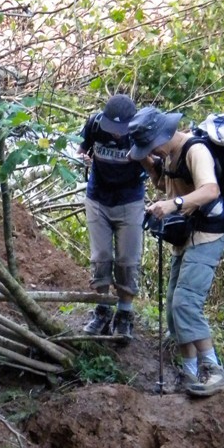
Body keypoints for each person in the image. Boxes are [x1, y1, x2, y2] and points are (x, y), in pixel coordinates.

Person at [128, 105, 224, 397]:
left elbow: (210, 190)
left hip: (206, 235)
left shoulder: (195, 150)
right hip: (185, 238)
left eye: (150, 146)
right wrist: (146, 161)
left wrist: (174, 205)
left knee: (186, 304)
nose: (151, 151)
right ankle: (190, 372)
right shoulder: (169, 154)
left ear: (162, 136)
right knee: (173, 307)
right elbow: (165, 183)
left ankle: (213, 371)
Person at [79, 93, 146, 340]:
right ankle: (103, 311)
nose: (117, 133)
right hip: (98, 197)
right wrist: (83, 157)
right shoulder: (95, 124)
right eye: (113, 128)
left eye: (121, 129)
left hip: (130, 200)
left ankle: (124, 315)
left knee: (128, 261)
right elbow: (81, 148)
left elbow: (156, 165)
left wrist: (142, 155)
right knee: (101, 257)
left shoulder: (142, 132)